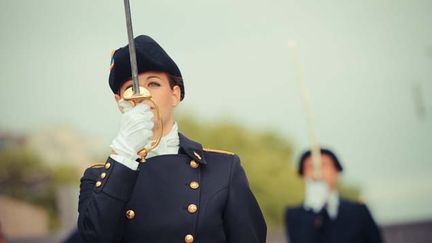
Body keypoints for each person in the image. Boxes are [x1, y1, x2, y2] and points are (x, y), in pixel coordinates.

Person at [77, 35, 266, 243]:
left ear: (175, 94)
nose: (142, 96)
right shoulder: (98, 179)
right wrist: (123, 154)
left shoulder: (223, 170)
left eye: (154, 84)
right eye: (132, 87)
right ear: (119, 101)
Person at [285, 148, 382, 243]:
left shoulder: (358, 211)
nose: (317, 173)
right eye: (311, 167)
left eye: (323, 165)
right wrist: (315, 210)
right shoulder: (295, 215)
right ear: (303, 176)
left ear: (337, 172)